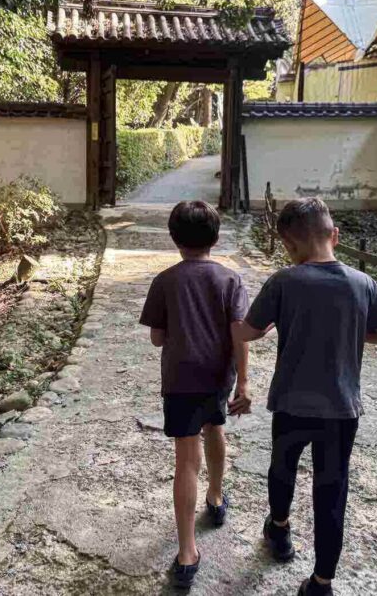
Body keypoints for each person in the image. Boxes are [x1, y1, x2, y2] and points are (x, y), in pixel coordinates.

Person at [234, 197, 377, 596]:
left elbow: (248, 332)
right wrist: (344, 328)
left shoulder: (284, 281)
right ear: (335, 236)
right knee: (332, 489)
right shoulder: (363, 283)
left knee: (282, 467)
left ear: (289, 246)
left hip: (291, 403)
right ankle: (322, 582)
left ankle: (280, 531)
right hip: (342, 411)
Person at [140, 200, 252, 590]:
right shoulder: (230, 280)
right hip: (218, 375)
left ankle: (187, 553)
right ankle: (217, 498)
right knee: (215, 428)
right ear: (216, 238)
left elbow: (157, 338)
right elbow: (240, 333)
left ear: (173, 238)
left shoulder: (165, 281)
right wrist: (245, 383)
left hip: (180, 377)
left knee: (186, 459)